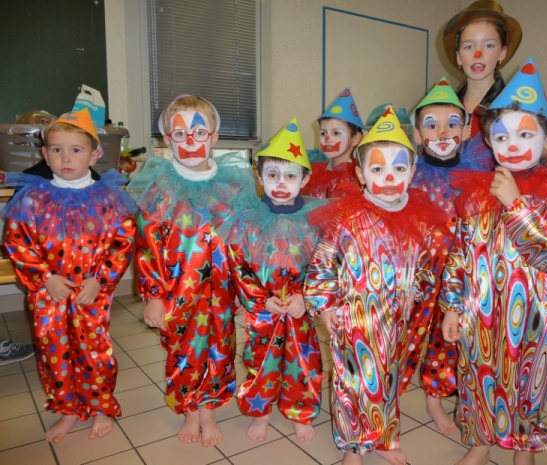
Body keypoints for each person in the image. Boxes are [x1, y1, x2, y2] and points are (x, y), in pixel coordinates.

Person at [440, 59, 547, 465]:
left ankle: (522, 445)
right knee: (477, 375)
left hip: (534, 317)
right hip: (481, 312)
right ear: (488, 142)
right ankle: (481, 440)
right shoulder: (476, 195)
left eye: (525, 134)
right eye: (500, 135)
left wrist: (517, 205)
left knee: (528, 381)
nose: (511, 144)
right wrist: (453, 306)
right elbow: (459, 254)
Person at [305, 108, 447, 465]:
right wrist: (325, 307)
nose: (388, 177)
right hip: (352, 320)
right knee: (352, 383)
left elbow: (429, 266)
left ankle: (383, 435)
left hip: (397, 323)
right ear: (361, 174)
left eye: (399, 169)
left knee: (388, 379)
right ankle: (353, 446)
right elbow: (321, 265)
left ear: (412, 172)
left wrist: (418, 288)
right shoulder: (346, 219)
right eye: (378, 169)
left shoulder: (420, 220)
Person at [126, 94, 255, 446]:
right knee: (182, 350)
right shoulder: (161, 189)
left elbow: (242, 242)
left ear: (213, 137)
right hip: (177, 291)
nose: (191, 142)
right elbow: (147, 247)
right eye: (180, 135)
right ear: (168, 141)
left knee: (220, 347)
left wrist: (245, 291)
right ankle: (189, 408)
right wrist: (153, 297)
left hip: (222, 292)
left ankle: (209, 408)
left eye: (199, 133)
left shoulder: (232, 186)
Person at [3, 108, 137, 443]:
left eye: (75, 150)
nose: (66, 157)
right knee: (54, 353)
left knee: (94, 351)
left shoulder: (108, 198)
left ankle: (100, 405)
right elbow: (17, 242)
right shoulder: (33, 199)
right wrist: (44, 277)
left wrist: (101, 280)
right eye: (57, 149)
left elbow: (123, 242)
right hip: (48, 293)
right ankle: (67, 409)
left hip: (92, 293)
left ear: (94, 154)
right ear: (45, 155)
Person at [218, 118, 324, 442]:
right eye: (272, 174)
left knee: (302, 360)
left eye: (290, 175)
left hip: (299, 308)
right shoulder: (248, 219)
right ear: (260, 176)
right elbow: (238, 264)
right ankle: (260, 411)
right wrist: (260, 301)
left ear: (304, 178)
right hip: (262, 310)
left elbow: (324, 263)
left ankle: (300, 411)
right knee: (259, 360)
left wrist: (306, 297)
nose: (280, 182)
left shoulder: (315, 220)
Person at [400, 77, 496, 435]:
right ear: (416, 133)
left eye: (452, 124)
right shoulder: (407, 174)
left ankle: (434, 400)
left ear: (468, 128)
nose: (442, 132)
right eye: (431, 125)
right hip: (416, 274)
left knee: (447, 342)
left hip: (460, 278)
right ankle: (389, 395)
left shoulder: (478, 171)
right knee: (405, 337)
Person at [443, 0, 522, 140]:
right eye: (468, 46)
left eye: (489, 45)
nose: (477, 54)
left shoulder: (516, 109)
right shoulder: (443, 108)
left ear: (502, 53)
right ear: (458, 57)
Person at [301, 88, 363, 198]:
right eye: (323, 133)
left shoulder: (360, 177)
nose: (327, 138)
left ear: (355, 139)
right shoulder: (315, 174)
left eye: (336, 133)